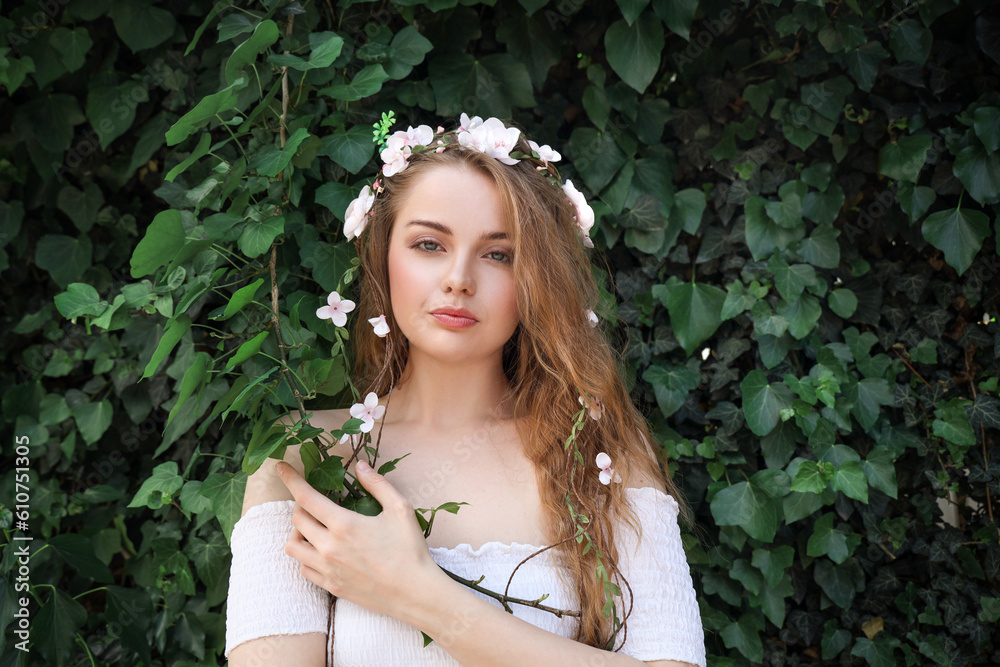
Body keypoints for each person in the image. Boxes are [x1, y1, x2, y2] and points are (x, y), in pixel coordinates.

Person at [225, 116, 706, 667]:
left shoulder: (603, 455)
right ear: (383, 256)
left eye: (499, 254)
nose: (459, 278)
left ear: (537, 281)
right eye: (429, 244)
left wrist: (420, 595)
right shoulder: (303, 457)